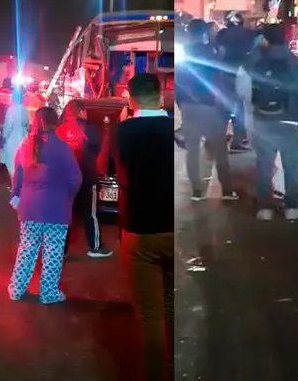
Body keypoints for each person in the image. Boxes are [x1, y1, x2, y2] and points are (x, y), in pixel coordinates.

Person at [110, 73, 176, 381]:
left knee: (151, 315)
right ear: (161, 96)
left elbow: (108, 170)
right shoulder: (175, 127)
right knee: (173, 307)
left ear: (129, 97)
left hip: (140, 231)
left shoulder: (124, 131)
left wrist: (122, 125)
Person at [7, 107, 82, 303]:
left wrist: (16, 195)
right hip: (56, 208)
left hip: (30, 207)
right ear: (55, 123)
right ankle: (48, 293)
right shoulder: (62, 148)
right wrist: (67, 197)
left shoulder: (26, 145)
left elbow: (18, 176)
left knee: (27, 248)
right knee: (53, 250)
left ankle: (16, 288)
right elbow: (75, 179)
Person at [237, 23, 298, 220]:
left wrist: (251, 110)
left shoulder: (253, 60)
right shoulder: (295, 62)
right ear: (285, 38)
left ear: (265, 38)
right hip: (290, 120)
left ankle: (264, 209)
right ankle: (292, 207)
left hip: (263, 120)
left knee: (264, 166)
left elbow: (241, 88)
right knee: (292, 167)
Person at [176, 19, 236, 201]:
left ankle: (196, 191)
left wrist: (182, 104)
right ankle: (226, 190)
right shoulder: (212, 52)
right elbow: (219, 80)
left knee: (192, 150)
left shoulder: (182, 55)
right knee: (219, 149)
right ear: (204, 33)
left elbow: (178, 82)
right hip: (209, 105)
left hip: (188, 106)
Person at [56, 99, 112, 258]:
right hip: (86, 177)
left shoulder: (60, 130)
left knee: (64, 214)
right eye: (85, 110)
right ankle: (95, 247)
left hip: (64, 180)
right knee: (90, 213)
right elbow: (98, 150)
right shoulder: (89, 129)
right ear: (80, 111)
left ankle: (60, 250)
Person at [216, 10, 257, 152]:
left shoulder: (222, 35)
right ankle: (237, 141)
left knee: (223, 108)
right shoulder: (249, 34)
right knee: (241, 108)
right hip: (243, 73)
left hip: (225, 74)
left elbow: (220, 53)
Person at [0, 88, 30, 179]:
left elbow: (8, 126)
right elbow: (27, 125)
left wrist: (4, 138)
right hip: (23, 137)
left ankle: (14, 186)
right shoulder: (25, 110)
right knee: (22, 163)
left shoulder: (11, 110)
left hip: (12, 139)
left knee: (11, 164)